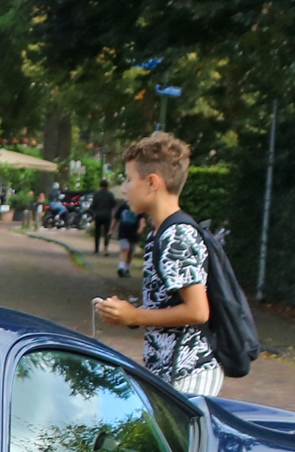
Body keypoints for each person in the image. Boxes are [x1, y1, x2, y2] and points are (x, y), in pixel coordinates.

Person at [91, 131, 222, 397]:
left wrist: (136, 316)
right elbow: (168, 304)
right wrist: (128, 313)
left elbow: (198, 311)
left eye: (129, 179)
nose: (125, 189)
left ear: (152, 183)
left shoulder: (176, 235)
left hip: (187, 375)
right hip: (170, 374)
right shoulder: (160, 232)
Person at [90, 180, 115, 255]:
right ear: (107, 186)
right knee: (106, 232)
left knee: (97, 232)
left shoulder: (96, 194)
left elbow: (93, 205)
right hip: (107, 215)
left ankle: (96, 249)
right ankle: (105, 248)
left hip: (98, 215)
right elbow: (113, 204)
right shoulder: (110, 194)